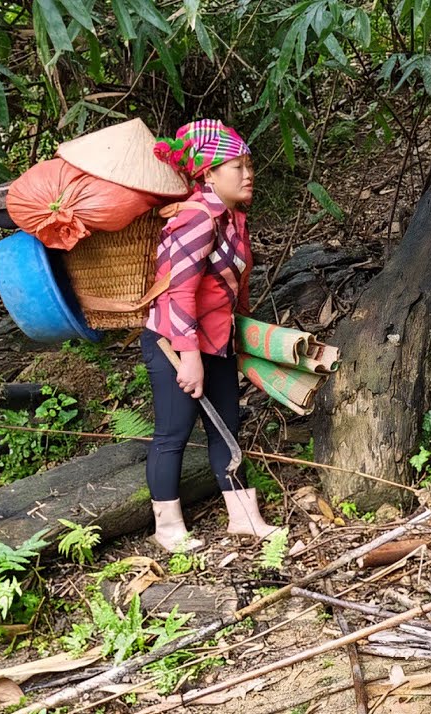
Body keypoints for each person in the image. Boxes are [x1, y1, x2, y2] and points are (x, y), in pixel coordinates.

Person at [143, 119, 279, 552]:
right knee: (173, 431)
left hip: (215, 342)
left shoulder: (232, 219)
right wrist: (189, 357)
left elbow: (232, 288)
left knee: (227, 427)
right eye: (235, 165)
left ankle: (243, 517)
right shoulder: (197, 218)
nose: (247, 173)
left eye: (248, 163)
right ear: (208, 173)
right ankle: (167, 528)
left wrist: (235, 342)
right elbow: (179, 290)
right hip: (174, 343)